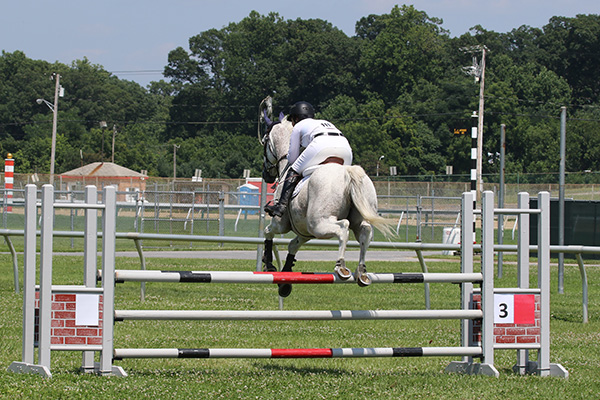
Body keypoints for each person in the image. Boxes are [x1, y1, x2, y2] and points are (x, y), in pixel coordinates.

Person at [264, 101, 353, 217]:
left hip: (321, 145)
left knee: (293, 170)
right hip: (346, 149)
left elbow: (292, 159)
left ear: (296, 118)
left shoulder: (298, 127)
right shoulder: (324, 122)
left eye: (292, 121)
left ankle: (280, 207)